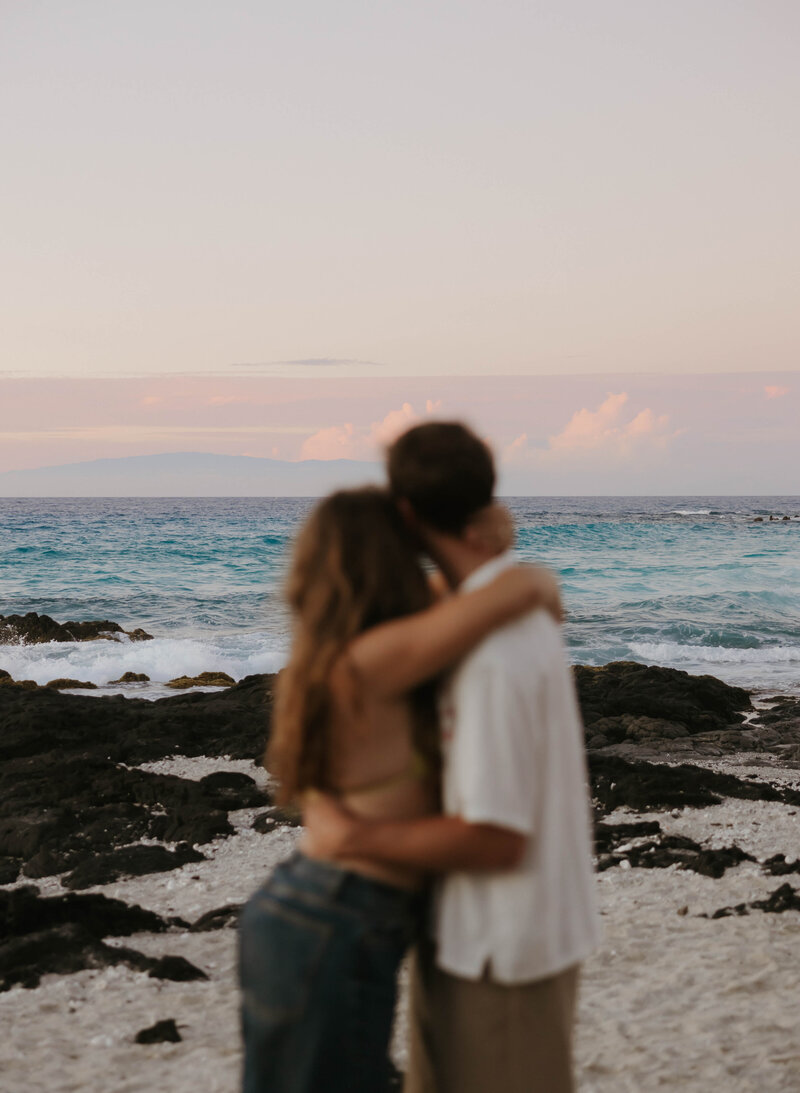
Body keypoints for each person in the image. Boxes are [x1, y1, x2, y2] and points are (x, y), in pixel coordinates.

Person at [306, 422, 601, 1093]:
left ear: (405, 513)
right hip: (486, 936)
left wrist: (355, 834)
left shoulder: (489, 654)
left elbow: (496, 838)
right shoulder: (495, 608)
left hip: (506, 951)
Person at [238, 485, 563, 1093]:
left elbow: (479, 598)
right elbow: (524, 589)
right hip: (331, 919)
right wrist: (487, 536)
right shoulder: (374, 658)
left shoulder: (346, 648)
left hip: (318, 915)